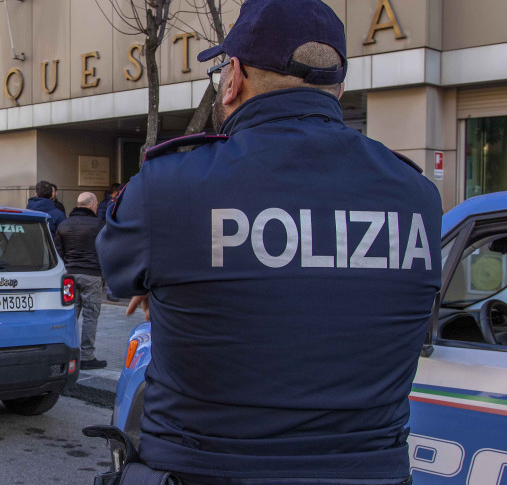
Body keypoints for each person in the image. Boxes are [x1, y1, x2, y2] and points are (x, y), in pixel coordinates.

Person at [97, 0, 442, 482]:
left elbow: (115, 268)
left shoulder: (170, 189)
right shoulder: (418, 197)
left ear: (233, 77)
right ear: (338, 88)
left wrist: (177, 267)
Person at [54, 192, 106, 370]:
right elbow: (106, 251)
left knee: (70, 314)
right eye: (97, 203)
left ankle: (69, 352)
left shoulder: (64, 224)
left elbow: (58, 252)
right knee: (91, 315)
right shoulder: (100, 225)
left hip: (69, 275)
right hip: (92, 274)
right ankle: (86, 355)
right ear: (92, 204)